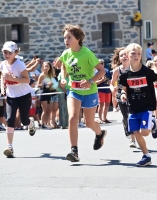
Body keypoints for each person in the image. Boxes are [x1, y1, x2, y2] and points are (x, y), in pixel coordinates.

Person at [59, 24, 106, 162]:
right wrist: (63, 77)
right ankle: (74, 151)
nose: (66, 40)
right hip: (74, 90)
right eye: (64, 38)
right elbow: (63, 66)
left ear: (78, 38)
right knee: (73, 117)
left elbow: (102, 71)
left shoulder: (87, 53)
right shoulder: (65, 54)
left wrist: (90, 81)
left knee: (89, 123)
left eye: (69, 37)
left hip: (89, 92)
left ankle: (100, 133)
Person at [119, 43, 157, 166]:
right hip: (133, 107)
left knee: (144, 132)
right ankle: (146, 155)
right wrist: (123, 93)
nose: (136, 56)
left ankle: (153, 123)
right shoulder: (125, 74)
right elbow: (125, 87)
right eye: (133, 53)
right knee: (135, 132)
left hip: (146, 106)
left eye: (138, 53)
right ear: (127, 55)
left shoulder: (146, 71)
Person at [0, 41, 36, 158]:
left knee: (24, 121)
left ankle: (30, 123)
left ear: (15, 53)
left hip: (24, 95)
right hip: (11, 96)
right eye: (5, 52)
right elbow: (2, 76)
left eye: (9, 52)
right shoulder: (3, 64)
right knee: (10, 119)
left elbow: (27, 80)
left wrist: (13, 79)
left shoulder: (19, 64)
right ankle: (9, 146)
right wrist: (2, 87)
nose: (7, 55)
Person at [110, 47, 137, 148]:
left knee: (132, 116)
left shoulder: (134, 68)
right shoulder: (117, 70)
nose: (124, 57)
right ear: (119, 58)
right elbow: (111, 83)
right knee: (126, 117)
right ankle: (128, 129)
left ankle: (133, 140)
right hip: (120, 96)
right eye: (121, 55)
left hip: (133, 95)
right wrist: (112, 88)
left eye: (125, 54)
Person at [37, 61, 55, 129]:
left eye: (48, 66)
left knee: (49, 110)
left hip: (49, 92)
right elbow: (38, 84)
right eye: (45, 66)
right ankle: (43, 123)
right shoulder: (42, 75)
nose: (46, 68)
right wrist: (45, 84)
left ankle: (47, 123)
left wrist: (51, 84)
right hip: (43, 93)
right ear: (43, 67)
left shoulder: (50, 75)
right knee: (45, 110)